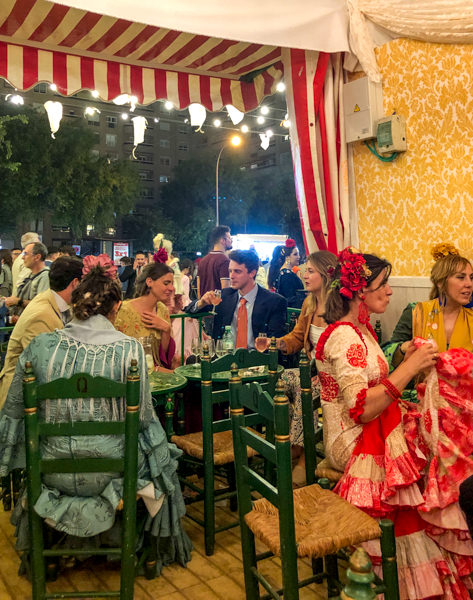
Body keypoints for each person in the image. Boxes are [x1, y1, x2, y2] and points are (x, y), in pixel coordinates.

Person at [0, 254, 192, 575]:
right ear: (116, 309)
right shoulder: (129, 350)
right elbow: (143, 420)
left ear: (75, 304)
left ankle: (55, 548)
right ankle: (139, 551)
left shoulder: (41, 347)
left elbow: (16, 411)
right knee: (164, 462)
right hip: (113, 473)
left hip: (51, 471)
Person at [316, 246, 473, 599]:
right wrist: (410, 366)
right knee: (441, 457)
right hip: (353, 441)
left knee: (446, 438)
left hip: (377, 428)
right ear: (360, 291)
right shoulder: (345, 336)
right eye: (384, 284)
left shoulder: (362, 330)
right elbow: (362, 408)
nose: (390, 290)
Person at [258, 250, 337, 485]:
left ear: (325, 274)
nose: (304, 275)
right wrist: (276, 343)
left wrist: (320, 374)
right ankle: (292, 444)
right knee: (281, 382)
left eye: (310, 271)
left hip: (334, 376)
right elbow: (296, 337)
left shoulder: (341, 306)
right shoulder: (308, 303)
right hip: (311, 372)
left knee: (305, 389)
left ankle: (302, 458)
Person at [383, 243, 473, 400]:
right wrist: (404, 348)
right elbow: (386, 358)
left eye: (471, 278)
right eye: (460, 277)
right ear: (440, 282)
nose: (469, 284)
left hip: (462, 407)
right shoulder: (416, 313)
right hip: (419, 401)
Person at [0, 256, 83, 409]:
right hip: (19, 404)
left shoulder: (54, 302)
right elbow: (47, 369)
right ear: (75, 283)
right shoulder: (41, 315)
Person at [186, 249, 287, 347]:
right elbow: (189, 311)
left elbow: (275, 342)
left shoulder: (274, 302)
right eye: (230, 271)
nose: (231, 276)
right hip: (225, 359)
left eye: (237, 271)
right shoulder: (224, 296)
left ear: (252, 273)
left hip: (258, 359)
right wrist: (202, 302)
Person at [115, 259, 176, 371]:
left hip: (157, 376)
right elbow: (117, 355)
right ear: (149, 282)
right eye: (166, 283)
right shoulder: (124, 310)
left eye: (172, 284)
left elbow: (164, 358)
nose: (171, 288)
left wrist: (166, 329)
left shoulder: (162, 310)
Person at [5, 242, 50, 312]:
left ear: (37, 257)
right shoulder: (29, 275)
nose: (22, 258)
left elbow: (42, 305)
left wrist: (18, 301)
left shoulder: (45, 276)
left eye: (25, 254)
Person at [171, 258, 200, 361]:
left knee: (177, 334)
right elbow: (186, 296)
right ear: (188, 268)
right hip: (184, 307)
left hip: (177, 308)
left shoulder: (176, 278)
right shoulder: (186, 278)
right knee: (187, 337)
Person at [267, 238, 305, 308]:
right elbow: (290, 299)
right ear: (287, 257)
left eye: (298, 254)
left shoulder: (283, 273)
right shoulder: (287, 275)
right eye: (295, 254)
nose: (298, 257)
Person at [197, 225, 232, 297]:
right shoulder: (224, 261)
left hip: (204, 305)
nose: (231, 241)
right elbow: (225, 290)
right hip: (217, 306)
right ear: (223, 240)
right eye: (229, 238)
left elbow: (198, 288)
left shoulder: (203, 260)